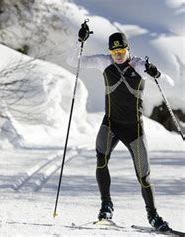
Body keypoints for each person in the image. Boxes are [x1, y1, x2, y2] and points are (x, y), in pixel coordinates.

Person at [66, 22, 174, 231]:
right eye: (114, 51)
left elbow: (168, 84)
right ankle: (106, 207)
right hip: (111, 124)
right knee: (101, 158)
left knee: (144, 175)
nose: (117, 55)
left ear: (128, 50)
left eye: (121, 51)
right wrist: (80, 41)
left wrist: (156, 73)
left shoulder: (139, 65)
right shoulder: (103, 62)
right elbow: (73, 60)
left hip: (134, 129)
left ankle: (153, 217)